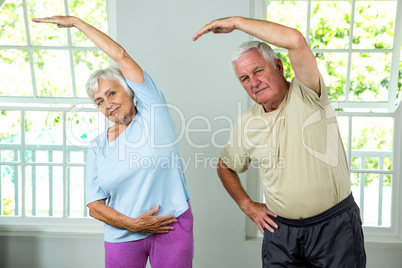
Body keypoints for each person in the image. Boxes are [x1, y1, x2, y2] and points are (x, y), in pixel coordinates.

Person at [193, 17, 366, 267]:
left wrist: (236, 23)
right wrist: (248, 205)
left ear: (278, 65)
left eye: (258, 71)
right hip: (281, 232)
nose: (253, 83)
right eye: (244, 78)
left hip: (334, 227)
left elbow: (295, 41)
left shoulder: (307, 93)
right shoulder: (247, 122)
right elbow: (225, 165)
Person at [32, 16, 193, 268]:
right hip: (121, 233)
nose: (108, 104)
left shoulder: (154, 112)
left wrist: (76, 23)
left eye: (112, 93)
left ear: (129, 90)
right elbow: (95, 206)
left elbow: (121, 56)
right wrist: (132, 224)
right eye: (99, 101)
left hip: (170, 225)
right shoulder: (98, 146)